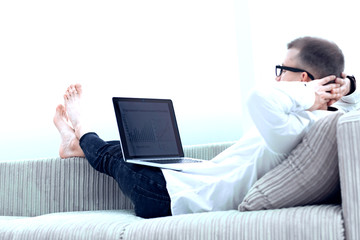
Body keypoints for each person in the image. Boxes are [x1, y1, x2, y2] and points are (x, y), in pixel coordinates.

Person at [54, 36, 359, 218]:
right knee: (129, 151)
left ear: (305, 79)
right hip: (188, 184)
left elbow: (259, 98)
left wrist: (309, 95)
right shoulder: (313, 120)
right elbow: (352, 106)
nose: (277, 78)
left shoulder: (299, 126)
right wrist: (345, 87)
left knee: (113, 155)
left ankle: (80, 132)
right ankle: (76, 145)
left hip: (164, 199)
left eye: (282, 70)